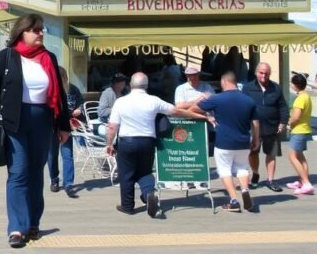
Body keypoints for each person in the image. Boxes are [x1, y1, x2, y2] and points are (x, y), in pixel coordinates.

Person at [0, 13, 71, 248]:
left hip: (43, 122)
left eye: (41, 29)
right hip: (15, 122)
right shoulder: (7, 57)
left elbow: (59, 96)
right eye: (36, 29)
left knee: (35, 174)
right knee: (18, 172)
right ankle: (17, 228)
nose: (40, 33)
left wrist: (64, 125)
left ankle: (32, 223)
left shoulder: (48, 58)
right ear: (22, 32)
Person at [106, 72, 207, 216]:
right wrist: (200, 116)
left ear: (130, 85)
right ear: (146, 86)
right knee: (145, 172)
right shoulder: (154, 100)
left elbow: (112, 127)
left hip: (127, 142)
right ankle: (149, 194)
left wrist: (109, 144)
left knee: (127, 174)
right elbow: (176, 111)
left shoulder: (121, 102)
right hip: (147, 141)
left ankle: (127, 206)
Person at [191, 72, 260, 212]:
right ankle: (245, 190)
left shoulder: (217, 98)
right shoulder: (248, 100)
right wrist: (256, 139)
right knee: (242, 168)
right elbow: (255, 122)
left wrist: (206, 117)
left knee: (224, 170)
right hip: (243, 141)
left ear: (223, 83)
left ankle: (234, 200)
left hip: (224, 142)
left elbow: (193, 109)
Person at [243, 62, 288, 192]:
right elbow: (243, 106)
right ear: (256, 73)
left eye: (266, 73)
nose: (264, 75)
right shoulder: (247, 88)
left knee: (271, 154)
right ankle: (255, 174)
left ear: (270, 74)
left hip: (272, 127)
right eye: (261, 73)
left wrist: (283, 121)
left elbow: (283, 106)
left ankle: (270, 180)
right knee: (253, 153)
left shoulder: (276, 88)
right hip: (253, 128)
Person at [48, 67, 82, 198]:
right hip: (52, 126)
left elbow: (80, 103)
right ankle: (54, 179)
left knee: (67, 154)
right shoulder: (50, 91)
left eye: (63, 79)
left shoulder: (72, 89)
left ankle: (68, 183)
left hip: (68, 125)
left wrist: (79, 109)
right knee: (52, 154)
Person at [286, 73, 313, 195]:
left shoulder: (300, 98)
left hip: (299, 130)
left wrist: (289, 124)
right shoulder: (306, 96)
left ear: (296, 85)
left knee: (292, 156)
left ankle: (306, 183)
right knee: (300, 156)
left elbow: (296, 116)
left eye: (292, 83)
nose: (291, 85)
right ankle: (303, 181)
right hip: (304, 129)